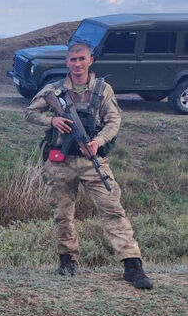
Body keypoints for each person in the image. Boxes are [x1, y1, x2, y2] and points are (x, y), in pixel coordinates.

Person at [25, 42, 152, 290]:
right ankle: (67, 261)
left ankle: (132, 265)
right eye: (73, 60)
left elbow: (113, 121)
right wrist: (52, 120)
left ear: (90, 61)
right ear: (67, 62)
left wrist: (98, 141)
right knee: (62, 213)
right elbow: (30, 113)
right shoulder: (54, 90)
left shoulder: (102, 90)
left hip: (92, 160)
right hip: (60, 162)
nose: (77, 64)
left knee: (112, 209)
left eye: (82, 59)